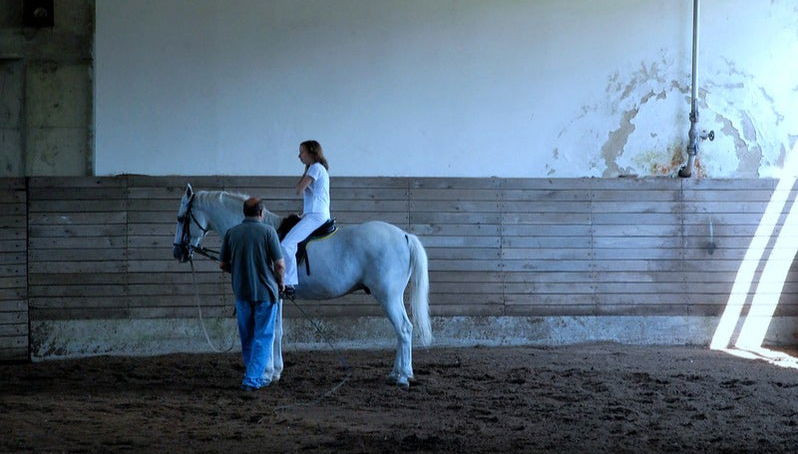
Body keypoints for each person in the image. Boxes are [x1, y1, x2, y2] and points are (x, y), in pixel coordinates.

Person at [220, 197, 285, 392]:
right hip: (265, 293)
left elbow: (223, 264)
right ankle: (252, 379)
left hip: (242, 292)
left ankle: (252, 372)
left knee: (247, 336)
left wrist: (240, 270)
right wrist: (280, 283)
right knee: (263, 336)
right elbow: (280, 264)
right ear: (261, 213)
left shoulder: (231, 233)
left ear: (244, 213)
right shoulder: (268, 232)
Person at [281, 140, 331, 296]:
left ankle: (289, 282)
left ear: (311, 152)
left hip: (316, 215)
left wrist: (303, 178)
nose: (299, 156)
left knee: (286, 244)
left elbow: (299, 189)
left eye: (301, 152)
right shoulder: (316, 168)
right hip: (313, 213)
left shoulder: (315, 168)